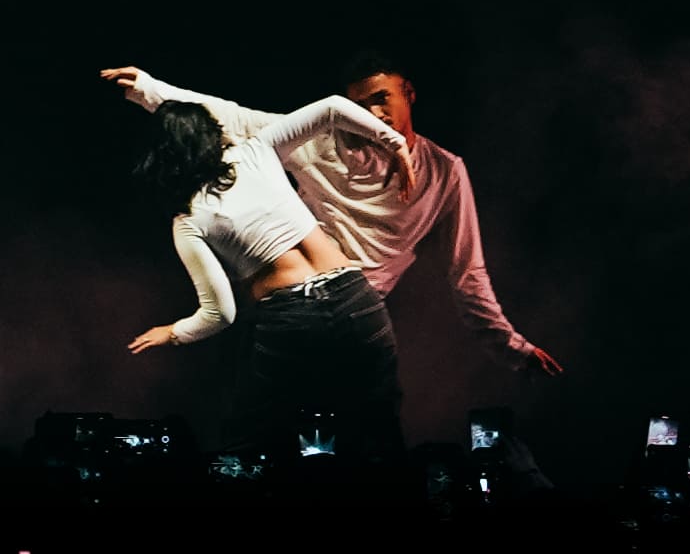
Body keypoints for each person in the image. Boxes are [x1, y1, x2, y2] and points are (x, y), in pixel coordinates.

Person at [103, 57, 563, 381]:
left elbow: (467, 271)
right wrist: (150, 89)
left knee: (362, 431)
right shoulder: (318, 143)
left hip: (357, 305)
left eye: (382, 99)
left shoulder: (446, 171)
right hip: (295, 303)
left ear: (409, 94)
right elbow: (235, 117)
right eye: (361, 105)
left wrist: (511, 346)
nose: (373, 114)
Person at [110, 76, 413, 460]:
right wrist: (395, 143)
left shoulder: (188, 219)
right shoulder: (257, 150)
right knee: (379, 429)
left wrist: (172, 333)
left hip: (291, 319)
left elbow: (220, 314)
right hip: (356, 299)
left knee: (252, 438)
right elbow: (333, 108)